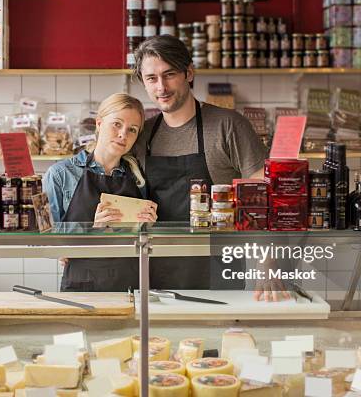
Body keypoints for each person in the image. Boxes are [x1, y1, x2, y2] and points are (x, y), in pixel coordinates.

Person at [132, 35, 286, 299]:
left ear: (189, 73)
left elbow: (265, 195)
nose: (161, 87)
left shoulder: (228, 125)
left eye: (169, 74)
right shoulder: (143, 134)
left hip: (218, 267)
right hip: (157, 269)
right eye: (152, 78)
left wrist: (267, 263)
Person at [44, 93, 157, 291]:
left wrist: (146, 225)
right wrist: (91, 227)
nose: (123, 134)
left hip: (131, 284)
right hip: (81, 285)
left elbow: (143, 240)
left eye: (132, 130)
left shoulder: (138, 177)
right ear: (98, 123)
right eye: (117, 124)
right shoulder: (61, 174)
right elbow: (43, 237)